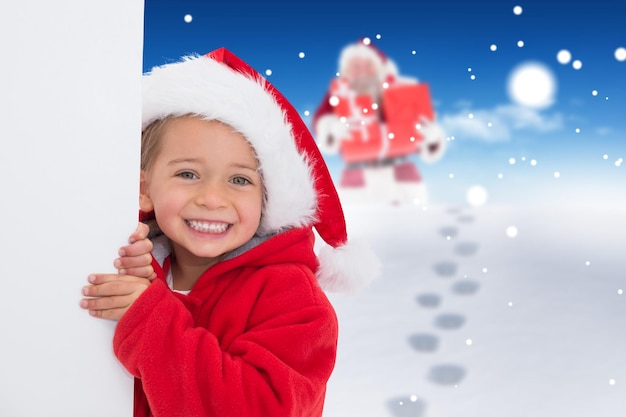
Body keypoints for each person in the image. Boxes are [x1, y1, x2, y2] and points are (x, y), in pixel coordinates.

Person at [80, 47, 380, 417]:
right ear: (143, 188)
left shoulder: (296, 302)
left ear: (267, 199)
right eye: (188, 174)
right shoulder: (124, 260)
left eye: (239, 180)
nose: (211, 199)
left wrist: (150, 320)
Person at [313, 38, 447, 205]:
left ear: (378, 69)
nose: (362, 71)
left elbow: (422, 126)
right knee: (359, 226)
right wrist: (330, 128)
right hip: (357, 179)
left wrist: (433, 138)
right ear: (347, 70)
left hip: (402, 177)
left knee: (415, 226)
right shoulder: (339, 96)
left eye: (368, 65)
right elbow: (320, 122)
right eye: (355, 66)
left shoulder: (401, 92)